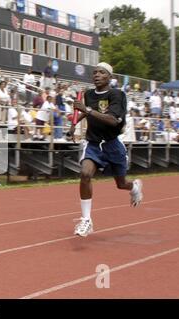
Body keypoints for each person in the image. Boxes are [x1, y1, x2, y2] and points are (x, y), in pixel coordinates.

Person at [69, 62, 143, 237]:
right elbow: (87, 112)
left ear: (109, 77)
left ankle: (134, 187)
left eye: (101, 72)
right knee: (85, 174)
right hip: (93, 143)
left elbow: (112, 120)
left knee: (121, 184)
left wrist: (86, 109)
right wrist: (75, 123)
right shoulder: (88, 94)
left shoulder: (117, 95)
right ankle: (86, 220)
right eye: (94, 72)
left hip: (112, 144)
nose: (96, 75)